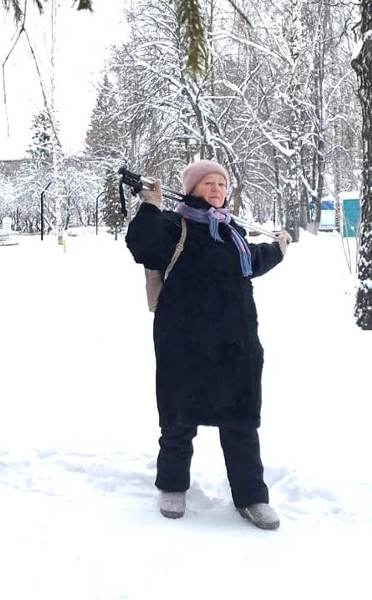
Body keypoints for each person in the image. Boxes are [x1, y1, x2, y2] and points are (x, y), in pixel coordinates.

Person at [125, 159, 291, 530]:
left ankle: (251, 496)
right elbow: (143, 246)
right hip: (184, 341)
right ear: (192, 189)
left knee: (241, 422)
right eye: (208, 184)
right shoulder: (174, 225)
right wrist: (150, 205)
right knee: (178, 418)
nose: (216, 189)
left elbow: (251, 262)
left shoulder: (230, 231)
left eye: (221, 184)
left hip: (236, 341)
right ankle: (172, 485)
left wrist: (277, 250)